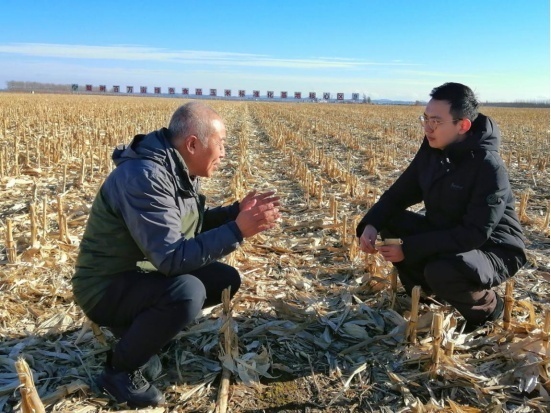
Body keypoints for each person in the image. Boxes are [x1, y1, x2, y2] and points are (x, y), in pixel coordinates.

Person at [72, 102, 280, 408]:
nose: (223, 154)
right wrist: (237, 230)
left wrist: (236, 213)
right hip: (104, 287)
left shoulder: (174, 167)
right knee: (187, 293)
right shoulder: (145, 177)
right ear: (193, 144)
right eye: (220, 145)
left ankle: (138, 330)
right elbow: (172, 258)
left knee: (224, 279)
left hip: (139, 273)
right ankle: (119, 371)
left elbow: (188, 226)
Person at [356, 82, 526, 333]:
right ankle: (426, 290)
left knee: (442, 269)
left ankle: (488, 309)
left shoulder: (488, 167)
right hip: (448, 231)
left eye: (436, 121)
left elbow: (474, 234)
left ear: (463, 125)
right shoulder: (432, 151)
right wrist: (371, 224)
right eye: (425, 118)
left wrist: (408, 248)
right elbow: (399, 194)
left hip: (493, 247)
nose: (427, 127)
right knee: (391, 221)